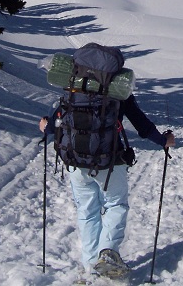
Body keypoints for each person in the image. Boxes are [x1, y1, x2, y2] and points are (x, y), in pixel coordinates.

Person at [39, 93, 175, 278]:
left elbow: (53, 126)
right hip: (110, 161)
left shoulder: (74, 88)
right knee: (115, 205)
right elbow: (141, 124)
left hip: (76, 162)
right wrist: (163, 140)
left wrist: (45, 126)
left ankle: (89, 266)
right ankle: (108, 253)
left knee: (87, 211)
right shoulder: (119, 89)